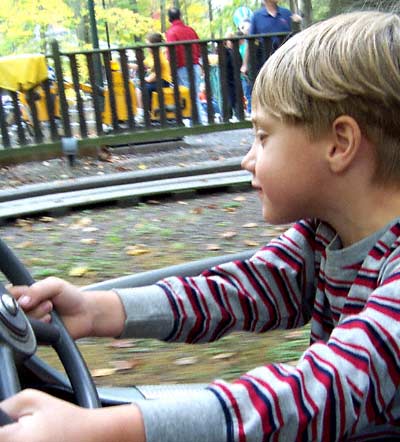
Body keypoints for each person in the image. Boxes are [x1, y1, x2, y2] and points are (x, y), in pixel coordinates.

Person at [2, 10, 400, 441]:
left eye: (263, 137)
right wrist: (99, 309)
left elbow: (323, 392)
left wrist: (109, 430)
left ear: (340, 144)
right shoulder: (324, 235)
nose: (247, 158)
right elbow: (240, 290)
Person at [241, 0, 301, 81]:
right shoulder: (256, 16)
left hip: (286, 62)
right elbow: (249, 42)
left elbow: (296, 37)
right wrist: (245, 65)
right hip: (266, 63)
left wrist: (297, 23)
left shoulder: (286, 13)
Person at [165, 7, 206, 124]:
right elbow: (198, 47)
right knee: (195, 94)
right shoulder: (190, 30)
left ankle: (198, 121)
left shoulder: (171, 32)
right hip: (195, 65)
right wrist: (199, 62)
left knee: (187, 95)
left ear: (169, 19)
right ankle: (198, 120)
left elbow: (172, 53)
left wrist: (172, 70)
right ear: (180, 16)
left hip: (182, 68)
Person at [143, 32, 172, 114]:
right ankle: (145, 110)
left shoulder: (159, 58)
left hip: (163, 80)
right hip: (156, 79)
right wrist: (129, 65)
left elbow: (154, 76)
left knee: (146, 88)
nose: (146, 47)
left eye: (148, 44)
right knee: (142, 87)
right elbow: (143, 64)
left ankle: (147, 111)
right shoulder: (151, 55)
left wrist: (145, 79)